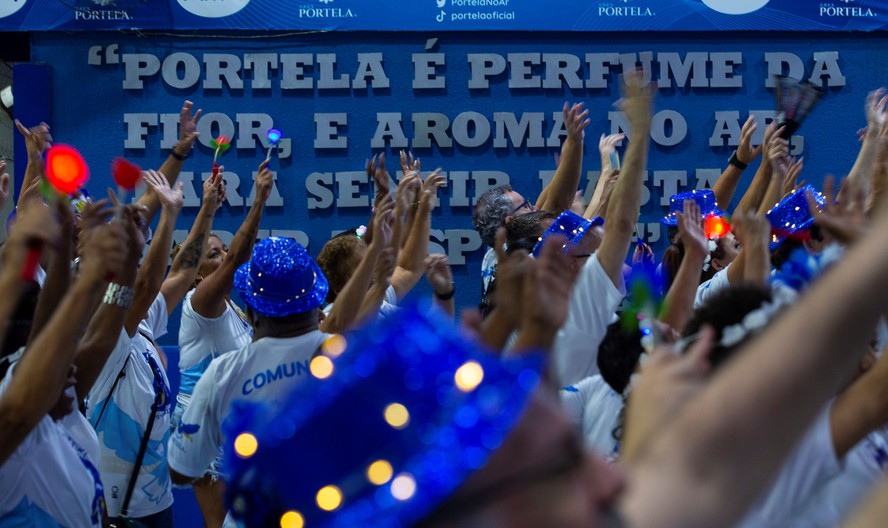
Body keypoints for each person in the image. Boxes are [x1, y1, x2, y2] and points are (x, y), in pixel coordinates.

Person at [167, 237, 334, 523]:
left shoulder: (223, 374)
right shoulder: (357, 356)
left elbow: (182, 469)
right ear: (317, 301)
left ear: (254, 312)